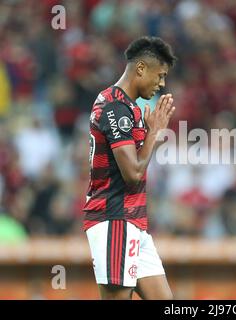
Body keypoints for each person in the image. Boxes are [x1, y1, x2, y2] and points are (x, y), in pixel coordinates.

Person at [83, 36, 177, 300]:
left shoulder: (130, 108)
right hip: (114, 220)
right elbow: (133, 174)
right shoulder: (115, 107)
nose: (162, 84)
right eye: (160, 76)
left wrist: (151, 136)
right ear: (140, 69)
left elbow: (137, 162)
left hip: (133, 222)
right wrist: (155, 133)